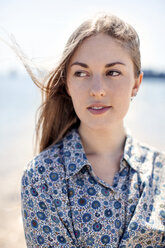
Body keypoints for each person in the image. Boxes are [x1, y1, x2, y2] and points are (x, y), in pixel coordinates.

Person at [21, 12, 165, 247]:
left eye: (113, 72)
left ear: (136, 84)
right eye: (81, 73)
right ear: (67, 84)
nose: (97, 90)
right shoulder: (41, 177)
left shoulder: (160, 172)